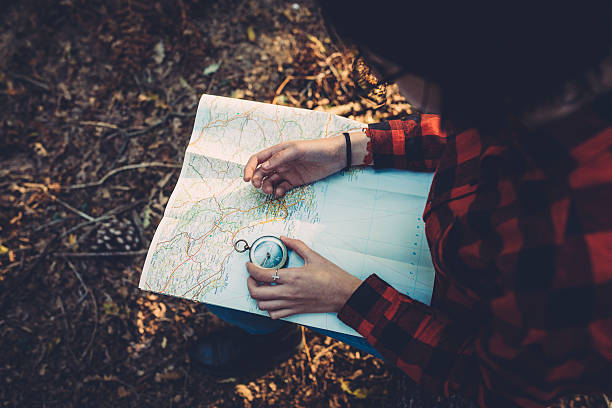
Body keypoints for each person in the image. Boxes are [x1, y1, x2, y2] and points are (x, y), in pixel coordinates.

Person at [190, 1, 612, 406]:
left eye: (389, 70)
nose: (393, 88)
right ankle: (275, 339)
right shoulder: (535, 80)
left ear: (459, 57)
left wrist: (347, 298)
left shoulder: (576, 256)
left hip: (455, 320)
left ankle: (271, 341)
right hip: (448, 263)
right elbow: (469, 127)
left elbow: (489, 384)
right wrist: (352, 148)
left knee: (237, 296)